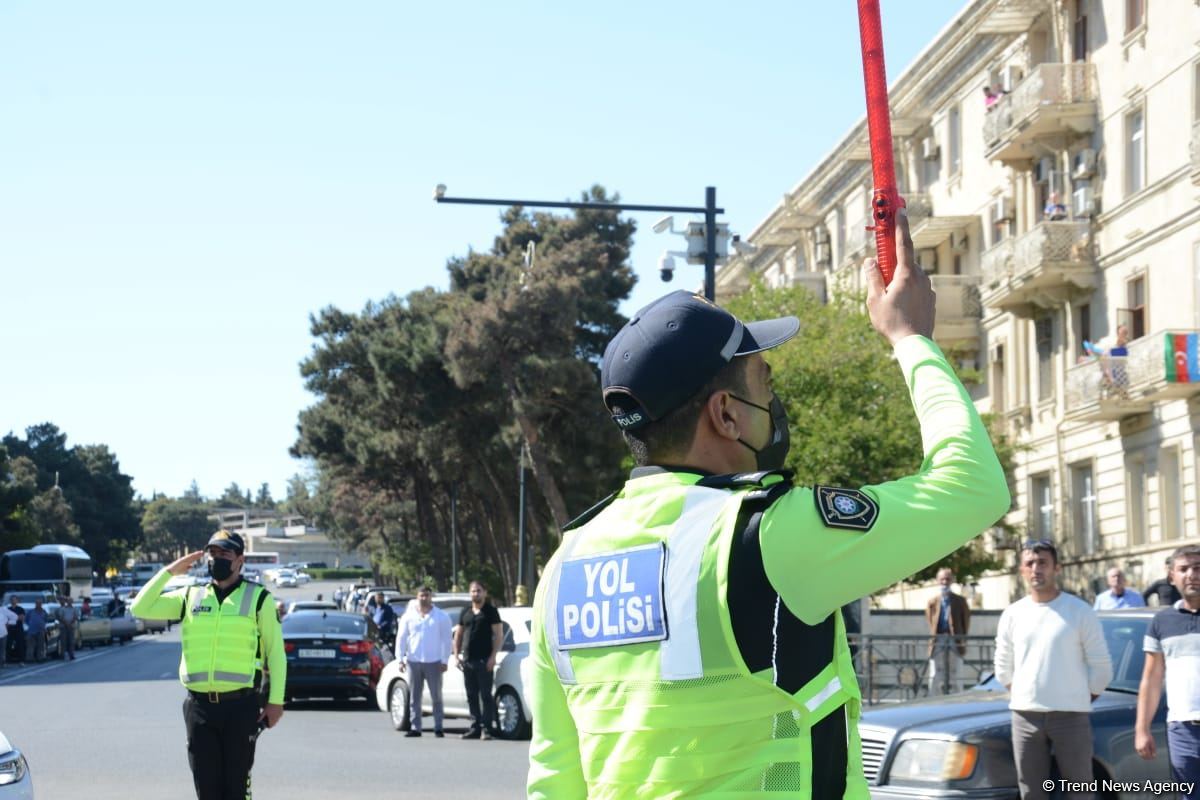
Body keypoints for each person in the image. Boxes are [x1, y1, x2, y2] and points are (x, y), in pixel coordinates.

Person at [525, 212, 1011, 798]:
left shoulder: (564, 569)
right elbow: (972, 486)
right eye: (766, 383)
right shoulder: (763, 533)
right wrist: (912, 339)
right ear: (726, 414)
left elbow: (555, 777)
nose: (776, 401)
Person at [131, 530, 286, 800]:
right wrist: (170, 571)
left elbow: (276, 654)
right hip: (199, 709)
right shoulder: (190, 596)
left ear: (240, 559)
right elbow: (140, 607)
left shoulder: (259, 598)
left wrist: (276, 702)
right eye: (212, 554)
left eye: (224, 554)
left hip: (240, 707)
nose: (217, 559)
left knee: (236, 789)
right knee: (207, 790)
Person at [994, 540, 1112, 800]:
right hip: (1025, 717)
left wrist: (1080, 697)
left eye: (1043, 563)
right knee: (1030, 791)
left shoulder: (1079, 611)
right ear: (1022, 570)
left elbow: (1101, 666)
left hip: (1071, 716)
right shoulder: (1013, 614)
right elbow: (1003, 666)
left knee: (1080, 789)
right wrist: (1025, 693)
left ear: (1056, 568)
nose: (1036, 569)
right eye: (1030, 563)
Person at [1135, 545, 1200, 799]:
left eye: (1198, 568)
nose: (1191, 574)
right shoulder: (1161, 622)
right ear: (1171, 576)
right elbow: (1151, 680)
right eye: (1183, 569)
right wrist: (1142, 729)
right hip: (1182, 731)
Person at [395, 586, 453, 738]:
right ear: (417, 596)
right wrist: (400, 658)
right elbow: (401, 637)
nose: (424, 598)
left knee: (436, 696)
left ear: (431, 597)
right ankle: (416, 727)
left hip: (434, 661)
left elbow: (447, 640)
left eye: (427, 595)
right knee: (415, 696)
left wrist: (445, 659)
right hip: (414, 661)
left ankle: (438, 727)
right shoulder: (408, 616)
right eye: (421, 595)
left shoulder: (441, 616)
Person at [454, 580, 503, 740]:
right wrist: (456, 655)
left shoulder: (491, 612)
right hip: (468, 660)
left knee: (486, 696)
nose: (476, 594)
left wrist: (493, 657)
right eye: (473, 591)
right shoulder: (465, 612)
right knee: (471, 695)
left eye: (479, 591)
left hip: (484, 661)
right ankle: (475, 727)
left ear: (485, 593)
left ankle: (487, 728)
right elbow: (459, 634)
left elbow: (498, 635)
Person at [925, 567, 971, 695]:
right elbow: (930, 619)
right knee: (935, 672)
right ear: (937, 581)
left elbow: (965, 620)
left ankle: (957, 698)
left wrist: (961, 638)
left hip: (954, 639)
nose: (945, 582)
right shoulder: (933, 601)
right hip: (938, 639)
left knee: (956, 671)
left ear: (952, 581)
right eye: (942, 579)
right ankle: (933, 698)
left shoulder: (960, 601)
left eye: (947, 579)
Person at [54, 596, 79, 661]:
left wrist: (70, 623)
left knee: (71, 641)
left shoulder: (74, 609)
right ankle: (62, 655)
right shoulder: (63, 609)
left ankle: (71, 655)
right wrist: (66, 623)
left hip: (71, 627)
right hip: (63, 627)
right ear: (67, 602)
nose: (69, 602)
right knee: (63, 641)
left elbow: (75, 616)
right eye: (68, 601)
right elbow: (61, 617)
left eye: (71, 601)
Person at [25, 599, 48, 663]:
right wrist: (30, 624)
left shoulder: (44, 612)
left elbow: (45, 620)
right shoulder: (31, 612)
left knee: (40, 646)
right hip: (31, 631)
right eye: (37, 603)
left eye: (40, 603)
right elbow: (26, 620)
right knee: (30, 645)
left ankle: (40, 658)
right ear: (35, 604)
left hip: (40, 631)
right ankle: (29, 659)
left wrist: (42, 626)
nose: (38, 604)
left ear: (41, 604)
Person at [6, 597, 25, 665]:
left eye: (15, 600)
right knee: (8, 645)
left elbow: (22, 618)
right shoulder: (8, 609)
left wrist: (12, 617)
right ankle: (7, 661)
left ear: (17, 601)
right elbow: (6, 619)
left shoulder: (20, 609)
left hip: (18, 629)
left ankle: (21, 661)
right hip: (10, 629)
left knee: (20, 645)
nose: (13, 601)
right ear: (10, 601)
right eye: (12, 600)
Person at [0, 602, 17, 668]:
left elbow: (15, 616)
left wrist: (9, 623)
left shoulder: (3, 610)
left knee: (2, 649)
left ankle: (3, 662)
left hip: (3, 633)